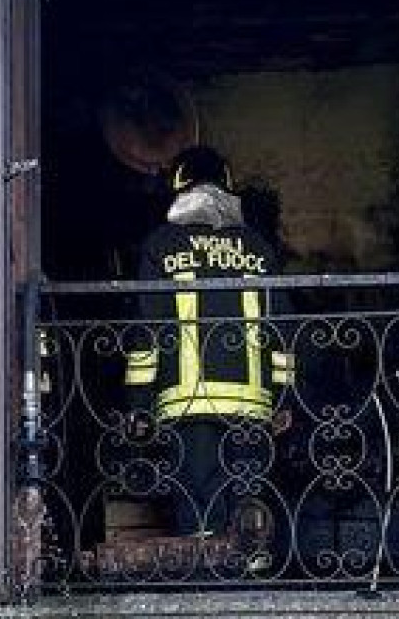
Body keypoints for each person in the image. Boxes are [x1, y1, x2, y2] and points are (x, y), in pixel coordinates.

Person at [124, 146, 295, 544]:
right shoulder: (257, 248)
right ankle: (249, 582)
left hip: (188, 405)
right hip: (252, 407)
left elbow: (147, 329)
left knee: (199, 514)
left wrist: (139, 404)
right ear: (229, 189)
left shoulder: (162, 246)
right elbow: (283, 329)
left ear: (179, 188)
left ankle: (203, 588)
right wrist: (285, 397)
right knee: (249, 507)